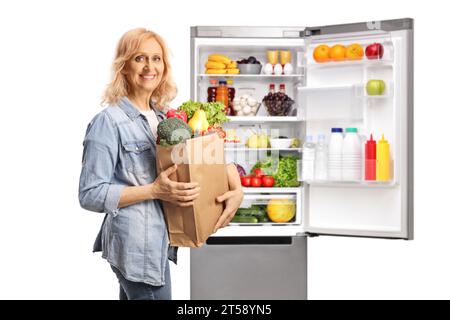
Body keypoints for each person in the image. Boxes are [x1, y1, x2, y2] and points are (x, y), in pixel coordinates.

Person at [78, 28, 243, 300]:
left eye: (156, 59)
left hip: (158, 242)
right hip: (136, 247)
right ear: (124, 65)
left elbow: (202, 158)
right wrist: (154, 190)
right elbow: (90, 194)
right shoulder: (108, 122)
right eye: (140, 58)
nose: (149, 66)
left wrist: (235, 184)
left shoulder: (166, 116)